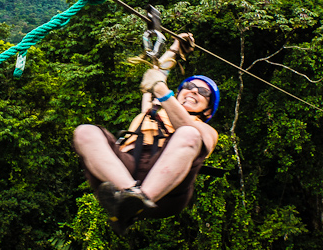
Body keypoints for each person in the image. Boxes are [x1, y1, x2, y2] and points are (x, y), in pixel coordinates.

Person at [73, 35, 218, 233]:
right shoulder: (153, 109)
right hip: (125, 172)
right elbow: (155, 75)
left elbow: (188, 129)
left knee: (189, 135)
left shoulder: (206, 130)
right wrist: (175, 48)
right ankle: (129, 196)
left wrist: (160, 89)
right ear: (178, 93)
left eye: (203, 92)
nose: (194, 92)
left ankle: (140, 198)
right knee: (85, 132)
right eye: (189, 87)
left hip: (167, 190)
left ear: (208, 110)